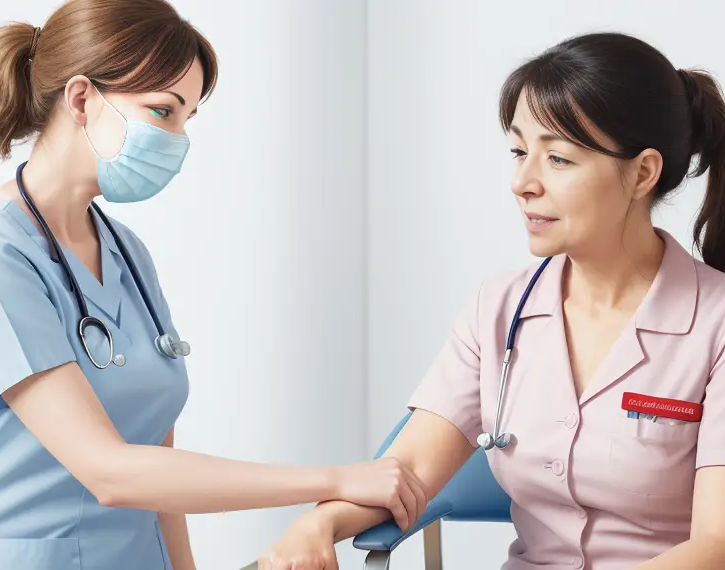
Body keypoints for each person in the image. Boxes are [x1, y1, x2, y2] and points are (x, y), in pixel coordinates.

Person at [0, 2, 428, 569]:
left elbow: (159, 461)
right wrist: (335, 478)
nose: (178, 139)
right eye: (163, 111)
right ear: (80, 99)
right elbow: (109, 470)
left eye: (186, 118)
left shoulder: (126, 253)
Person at [259, 31, 725, 570]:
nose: (522, 182)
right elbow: (405, 470)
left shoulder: (714, 324)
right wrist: (317, 525)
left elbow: (715, 545)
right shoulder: (499, 307)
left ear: (643, 172)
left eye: (558, 159)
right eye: (520, 152)